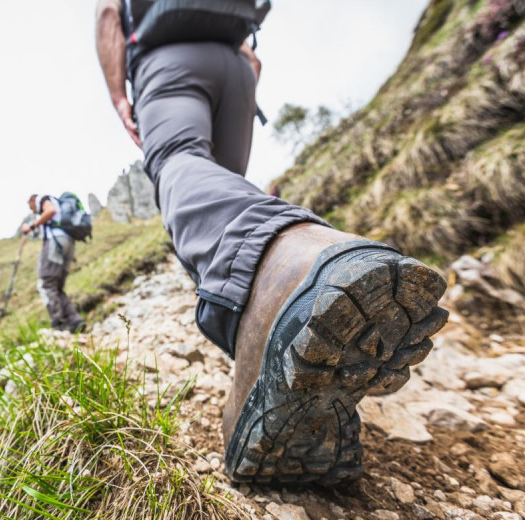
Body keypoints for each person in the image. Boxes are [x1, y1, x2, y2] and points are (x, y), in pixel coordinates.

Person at [95, 0, 448, 485]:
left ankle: (289, 268)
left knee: (178, 162)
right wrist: (241, 71)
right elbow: (253, 56)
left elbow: (109, 14)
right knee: (221, 182)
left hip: (166, 59)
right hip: (237, 69)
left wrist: (119, 93)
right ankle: (272, 348)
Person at [21, 194, 86, 334]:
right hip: (68, 243)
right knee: (57, 287)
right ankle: (75, 321)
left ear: (32, 199)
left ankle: (59, 326)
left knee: (46, 283)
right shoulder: (58, 204)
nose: (32, 210)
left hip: (55, 242)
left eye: (30, 206)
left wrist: (31, 226)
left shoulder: (43, 199)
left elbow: (50, 211)